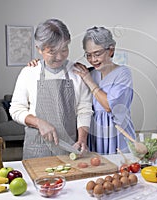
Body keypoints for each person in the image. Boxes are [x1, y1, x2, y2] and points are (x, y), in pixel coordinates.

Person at [28, 26, 135, 155]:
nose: (93, 59)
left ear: (111, 50)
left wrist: (88, 80)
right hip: (93, 136)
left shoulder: (123, 73)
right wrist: (38, 64)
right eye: (88, 55)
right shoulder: (88, 71)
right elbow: (60, 69)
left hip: (116, 135)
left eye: (97, 54)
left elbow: (109, 105)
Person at [9, 19, 93, 159]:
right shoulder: (29, 72)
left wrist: (82, 139)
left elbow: (84, 109)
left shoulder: (77, 72)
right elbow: (16, 109)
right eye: (52, 52)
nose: (59, 57)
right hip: (37, 148)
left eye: (64, 49)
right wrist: (38, 122)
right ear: (39, 49)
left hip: (70, 148)